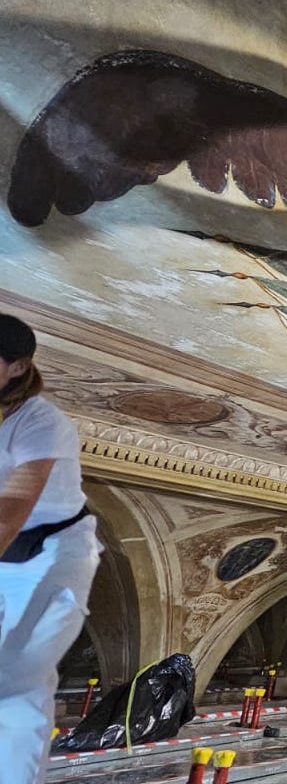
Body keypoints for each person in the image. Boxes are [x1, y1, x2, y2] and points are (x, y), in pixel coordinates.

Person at [0, 313, 101, 784]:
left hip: (53, 554)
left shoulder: (41, 421)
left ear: (15, 368)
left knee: (17, 677)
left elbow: (12, 508)